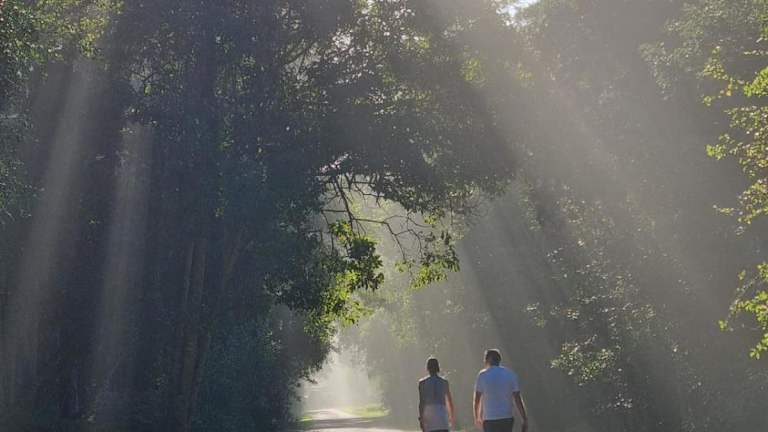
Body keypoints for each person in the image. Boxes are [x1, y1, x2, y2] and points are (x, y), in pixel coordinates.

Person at [473, 349, 529, 432]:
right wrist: (524, 418)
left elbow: (477, 399)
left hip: (490, 419)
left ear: (488, 360)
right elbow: (517, 399)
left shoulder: (482, 375)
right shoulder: (510, 374)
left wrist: (477, 417)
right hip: (506, 417)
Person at [418, 357, 456, 432]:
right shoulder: (444, 382)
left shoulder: (422, 383)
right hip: (442, 416)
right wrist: (452, 417)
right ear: (438, 367)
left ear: (427, 368)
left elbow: (422, 403)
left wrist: (421, 419)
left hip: (429, 417)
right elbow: (449, 402)